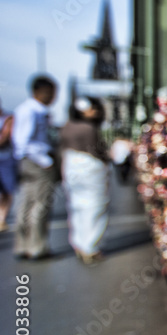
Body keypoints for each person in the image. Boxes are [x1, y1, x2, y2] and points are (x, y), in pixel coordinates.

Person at [12, 75, 58, 259]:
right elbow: (23, 141)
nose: (53, 97)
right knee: (40, 204)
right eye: (50, 93)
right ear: (39, 92)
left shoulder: (25, 110)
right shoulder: (34, 112)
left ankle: (23, 245)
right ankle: (37, 247)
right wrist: (45, 161)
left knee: (27, 202)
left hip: (27, 161)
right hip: (37, 161)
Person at [61, 97, 110, 264]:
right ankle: (91, 247)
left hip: (70, 166)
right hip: (90, 167)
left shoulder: (67, 126)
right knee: (95, 205)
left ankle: (79, 243)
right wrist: (107, 160)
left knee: (76, 205)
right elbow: (96, 150)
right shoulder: (89, 128)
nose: (95, 112)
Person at [0, 99, 15, 231]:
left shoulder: (8, 119)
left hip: (6, 159)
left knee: (7, 191)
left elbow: (4, 138)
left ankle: (2, 219)